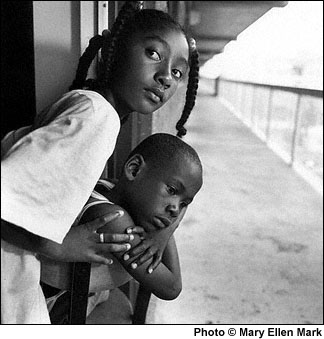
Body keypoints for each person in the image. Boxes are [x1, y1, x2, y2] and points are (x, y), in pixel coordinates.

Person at [1, 1, 199, 324]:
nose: (165, 78)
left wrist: (164, 231)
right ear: (114, 52)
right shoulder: (98, 117)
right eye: (154, 54)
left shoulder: (91, 108)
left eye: (177, 73)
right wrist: (60, 246)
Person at [40, 133, 203, 322]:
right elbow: (171, 287)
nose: (175, 209)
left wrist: (165, 232)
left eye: (184, 203)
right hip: (56, 310)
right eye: (172, 191)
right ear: (134, 170)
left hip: (89, 293)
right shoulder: (112, 219)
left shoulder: (108, 186)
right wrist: (166, 232)